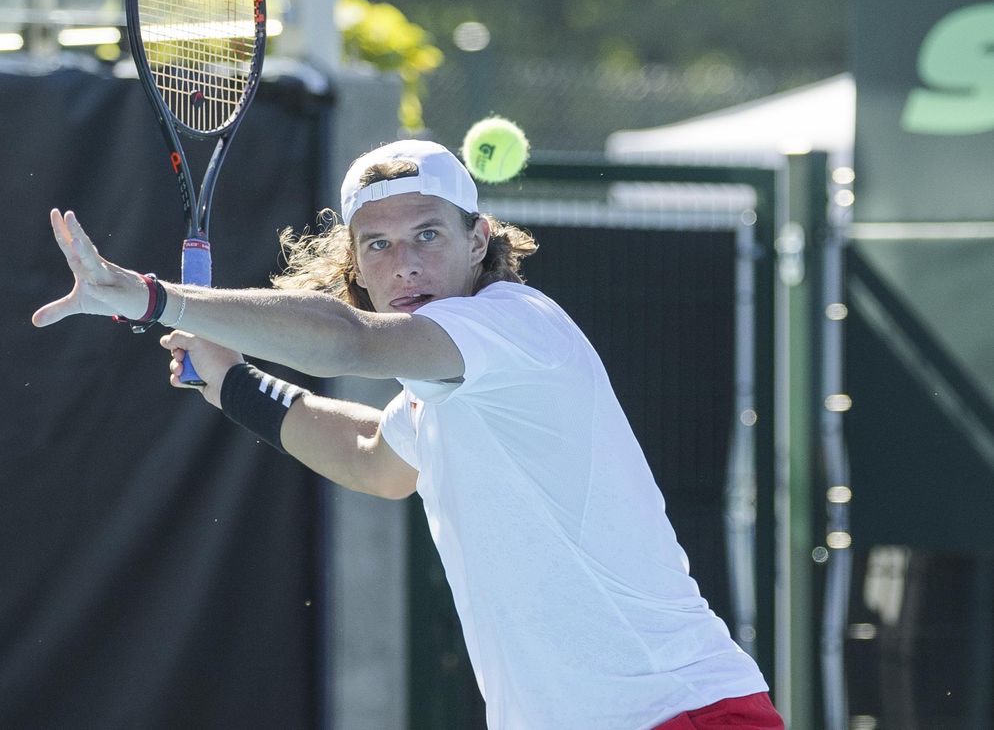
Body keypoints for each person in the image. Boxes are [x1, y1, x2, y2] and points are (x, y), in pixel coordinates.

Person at [33, 140, 784, 729]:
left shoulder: (514, 326)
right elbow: (374, 460)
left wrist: (155, 298)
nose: (407, 262)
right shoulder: (441, 387)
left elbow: (351, 342)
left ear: (479, 239)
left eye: (428, 233)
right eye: (380, 245)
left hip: (684, 717)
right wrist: (230, 379)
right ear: (354, 263)